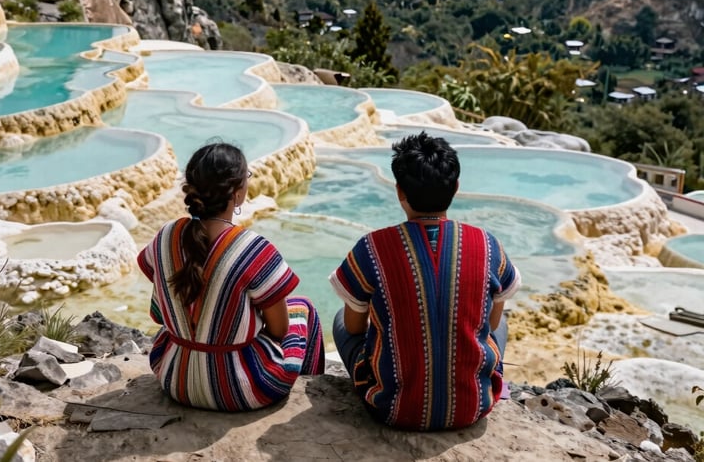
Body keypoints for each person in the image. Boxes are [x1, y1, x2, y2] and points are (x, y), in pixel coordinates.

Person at [329, 131, 521, 431]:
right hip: (473, 408)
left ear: (399, 192)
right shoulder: (487, 245)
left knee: (342, 319)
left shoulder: (372, 248)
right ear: (456, 187)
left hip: (392, 410)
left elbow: (354, 328)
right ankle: (484, 380)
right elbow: (493, 324)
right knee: (503, 324)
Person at [138, 141, 325, 410]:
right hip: (239, 389)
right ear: (237, 193)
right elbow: (279, 329)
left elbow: (157, 314)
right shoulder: (254, 249)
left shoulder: (165, 236)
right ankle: (314, 395)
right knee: (302, 308)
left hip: (174, 378)